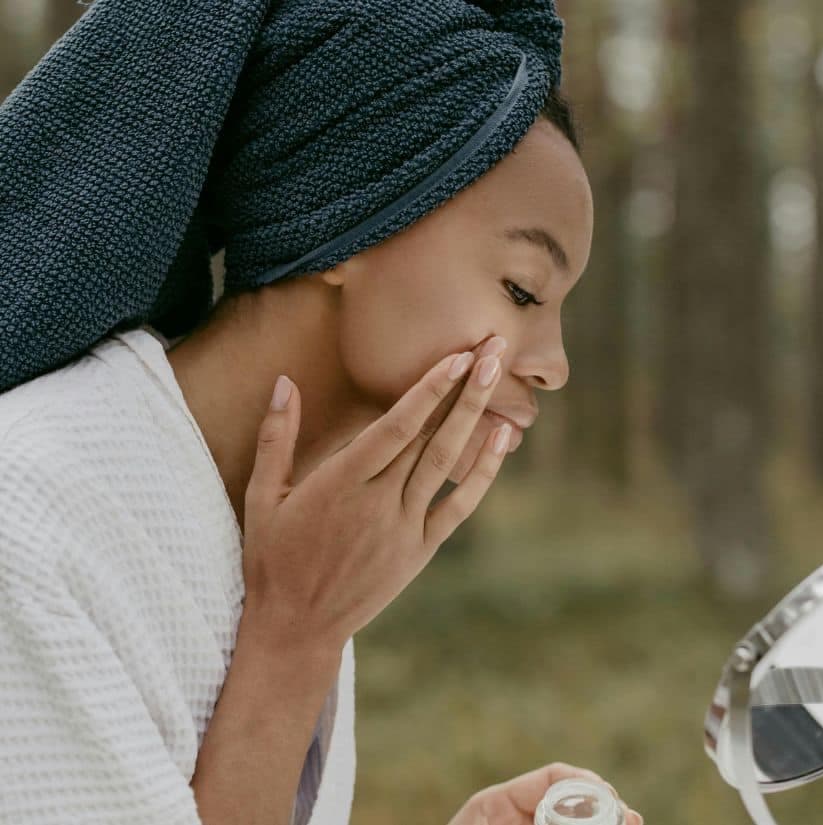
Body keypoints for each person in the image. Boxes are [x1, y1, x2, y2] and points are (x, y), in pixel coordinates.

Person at [0, 1, 644, 824]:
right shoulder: (29, 523)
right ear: (353, 219)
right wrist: (289, 647)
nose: (553, 365)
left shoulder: (291, 534)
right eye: (521, 290)